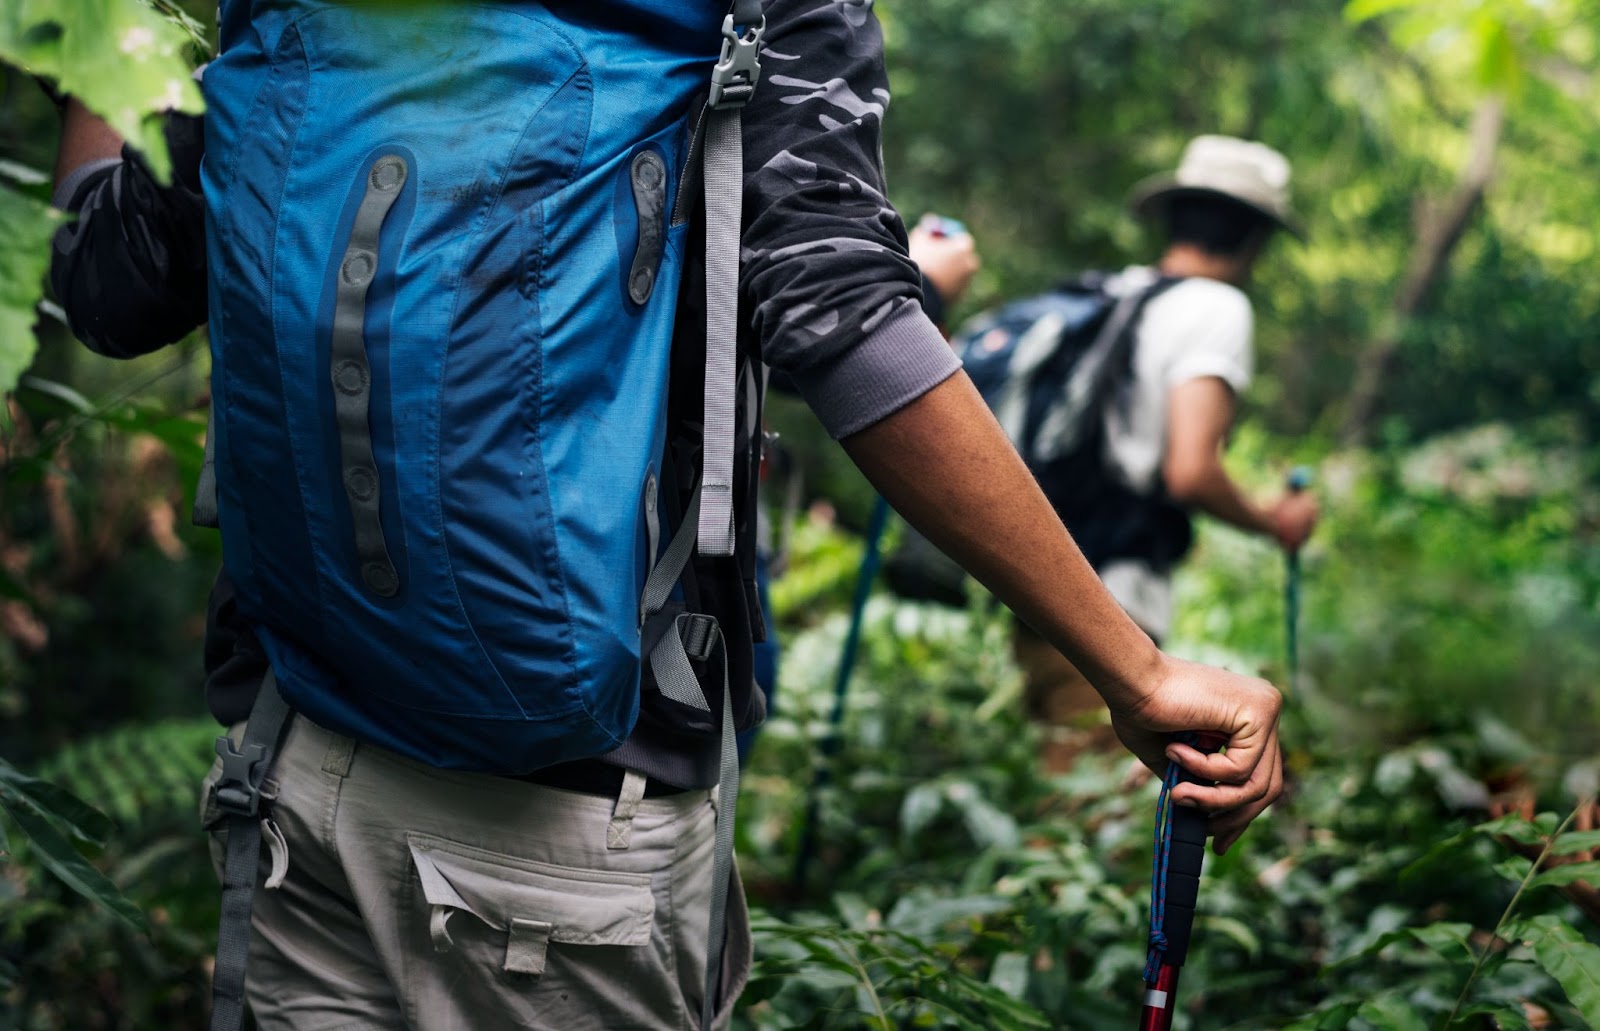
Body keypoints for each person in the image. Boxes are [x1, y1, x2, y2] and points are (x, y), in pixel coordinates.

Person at [47, 10, 1285, 1028]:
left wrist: (92, 34)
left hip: (293, 757)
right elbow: (837, 316)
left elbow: (105, 281)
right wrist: (1134, 665)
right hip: (565, 833)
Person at [1011, 134, 1320, 771]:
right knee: (1087, 802)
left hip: (1039, 573)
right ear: (1254, 238)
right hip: (1111, 600)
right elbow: (1190, 470)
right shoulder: (1217, 308)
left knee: (1056, 781)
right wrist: (1273, 521)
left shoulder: (1113, 293)